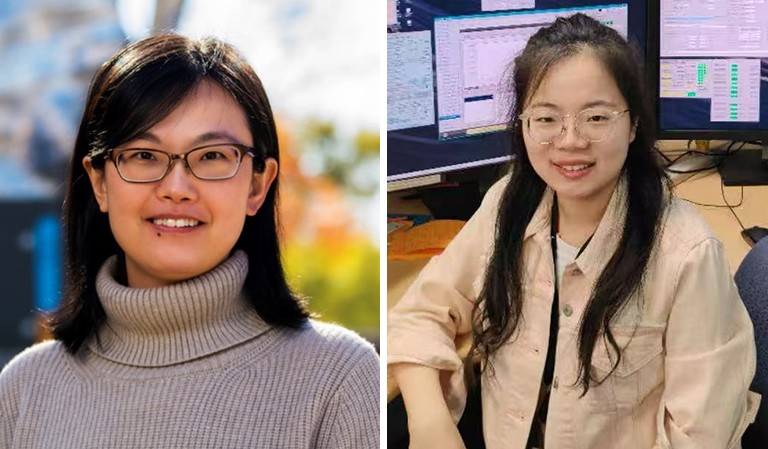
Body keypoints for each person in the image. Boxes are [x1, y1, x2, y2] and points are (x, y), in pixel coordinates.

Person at [388, 13, 760, 449]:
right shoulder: (510, 204)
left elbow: (700, 438)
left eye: (596, 118)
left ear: (634, 124)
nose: (570, 141)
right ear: (523, 125)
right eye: (546, 119)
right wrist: (430, 422)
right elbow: (420, 312)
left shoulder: (687, 255)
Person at [0, 34, 379, 448]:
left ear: (257, 186)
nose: (177, 187)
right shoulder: (23, 391)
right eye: (144, 155)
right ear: (99, 183)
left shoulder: (340, 380)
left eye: (212, 156)